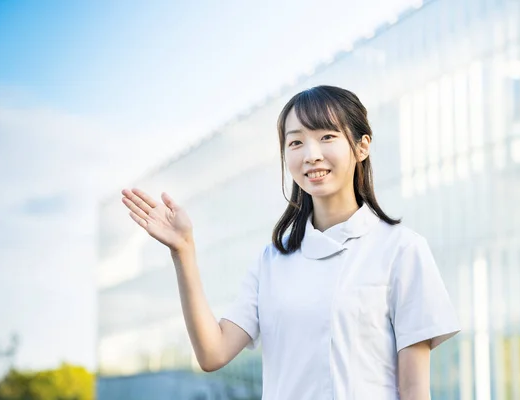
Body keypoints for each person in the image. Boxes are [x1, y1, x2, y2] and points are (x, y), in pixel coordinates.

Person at [121, 85, 460, 399]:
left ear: (362, 146)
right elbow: (213, 353)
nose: (311, 154)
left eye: (327, 136)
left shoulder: (401, 250)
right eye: (296, 142)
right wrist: (183, 251)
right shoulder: (271, 261)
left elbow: (414, 389)